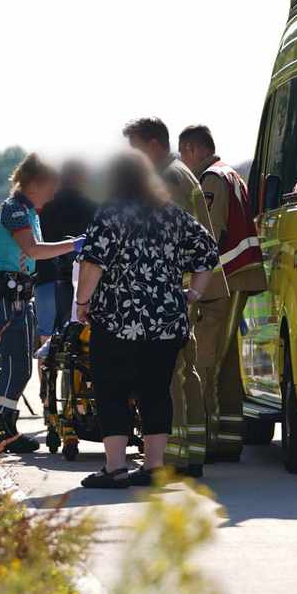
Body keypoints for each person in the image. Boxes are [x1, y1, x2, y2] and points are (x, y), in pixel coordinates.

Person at [75, 149, 218, 488]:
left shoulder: (110, 214)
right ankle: (153, 467)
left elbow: (93, 263)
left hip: (117, 319)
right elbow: (208, 251)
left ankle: (115, 467)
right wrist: (193, 294)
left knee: (112, 390)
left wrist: (83, 302)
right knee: (156, 390)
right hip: (166, 320)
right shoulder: (171, 214)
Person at [122, 116, 217, 475]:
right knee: (185, 369)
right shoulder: (181, 171)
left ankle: (172, 456)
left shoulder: (168, 179)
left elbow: (171, 238)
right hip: (188, 286)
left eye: (134, 148)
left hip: (176, 289)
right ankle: (190, 451)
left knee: (167, 374)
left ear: (152, 144)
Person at [178, 124, 267, 462]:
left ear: (192, 149)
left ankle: (204, 440)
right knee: (227, 364)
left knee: (206, 361)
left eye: (184, 154)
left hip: (224, 281)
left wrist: (187, 272)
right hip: (237, 278)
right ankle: (228, 438)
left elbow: (209, 233)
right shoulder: (231, 174)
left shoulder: (212, 179)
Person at [0, 153, 81, 454]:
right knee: (17, 364)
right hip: (7, 295)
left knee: (23, 364)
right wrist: (75, 244)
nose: (54, 192)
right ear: (36, 182)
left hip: (20, 293)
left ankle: (6, 426)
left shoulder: (29, 211)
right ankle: (3, 431)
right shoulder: (14, 210)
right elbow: (34, 250)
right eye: (51, 185)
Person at [33, 159, 97, 342]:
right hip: (84, 281)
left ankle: (46, 370)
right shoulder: (93, 206)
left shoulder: (45, 204)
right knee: (81, 340)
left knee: (47, 341)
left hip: (46, 277)